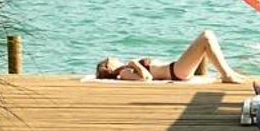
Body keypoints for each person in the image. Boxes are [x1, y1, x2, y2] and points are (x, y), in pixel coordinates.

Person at [94, 30, 246, 84]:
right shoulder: (123, 73)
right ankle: (226, 74)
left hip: (176, 68)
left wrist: (135, 64)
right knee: (206, 38)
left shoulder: (125, 69)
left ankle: (228, 72)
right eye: (109, 60)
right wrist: (135, 63)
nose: (112, 57)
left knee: (207, 35)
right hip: (176, 72)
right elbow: (146, 78)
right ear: (108, 67)